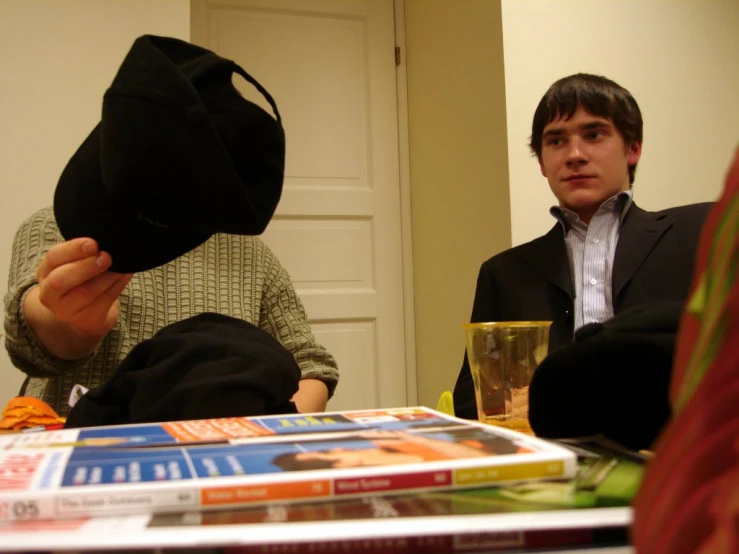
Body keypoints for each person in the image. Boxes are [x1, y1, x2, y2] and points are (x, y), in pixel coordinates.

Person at [453, 73, 712, 420]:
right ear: (543, 164)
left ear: (632, 148)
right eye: (556, 141)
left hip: (667, 452)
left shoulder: (697, 235)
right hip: (550, 453)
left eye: (594, 135)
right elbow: (473, 403)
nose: (575, 155)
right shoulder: (504, 273)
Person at [3, 213, 338, 416]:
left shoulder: (253, 255)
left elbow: (310, 365)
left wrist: (265, 438)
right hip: (78, 470)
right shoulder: (59, 226)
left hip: (225, 470)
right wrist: (74, 329)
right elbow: (27, 338)